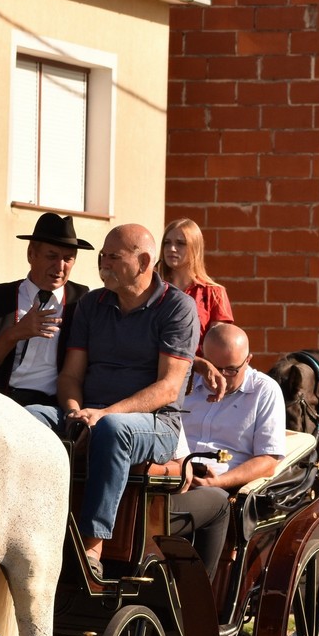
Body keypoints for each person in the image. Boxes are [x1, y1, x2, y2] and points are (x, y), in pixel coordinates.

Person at [28, 223, 198, 579]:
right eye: (102, 256)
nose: (103, 263)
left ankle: (92, 547)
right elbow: (71, 376)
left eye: (113, 257)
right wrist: (74, 412)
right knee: (28, 418)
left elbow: (169, 388)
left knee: (113, 429)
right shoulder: (92, 304)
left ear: (144, 262)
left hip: (156, 425)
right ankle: (26, 532)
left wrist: (105, 413)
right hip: (89, 412)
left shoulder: (177, 307)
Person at [170, 323, 286, 581]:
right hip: (173, 474)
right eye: (213, 368)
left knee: (165, 513)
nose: (220, 378)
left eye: (231, 370)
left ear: (249, 360)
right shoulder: (185, 383)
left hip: (221, 487)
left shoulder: (265, 391)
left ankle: (195, 590)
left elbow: (268, 459)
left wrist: (218, 481)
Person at [0, 212, 91, 406]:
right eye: (52, 256)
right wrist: (14, 334)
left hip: (51, 406)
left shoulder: (83, 302)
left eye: (68, 258)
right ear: (31, 254)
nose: (60, 266)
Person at [160, 218, 234, 398]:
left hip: (199, 384)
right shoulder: (153, 290)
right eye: (167, 243)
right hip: (156, 376)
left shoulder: (214, 293)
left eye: (180, 243)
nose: (171, 249)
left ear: (195, 248)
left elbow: (219, 349)